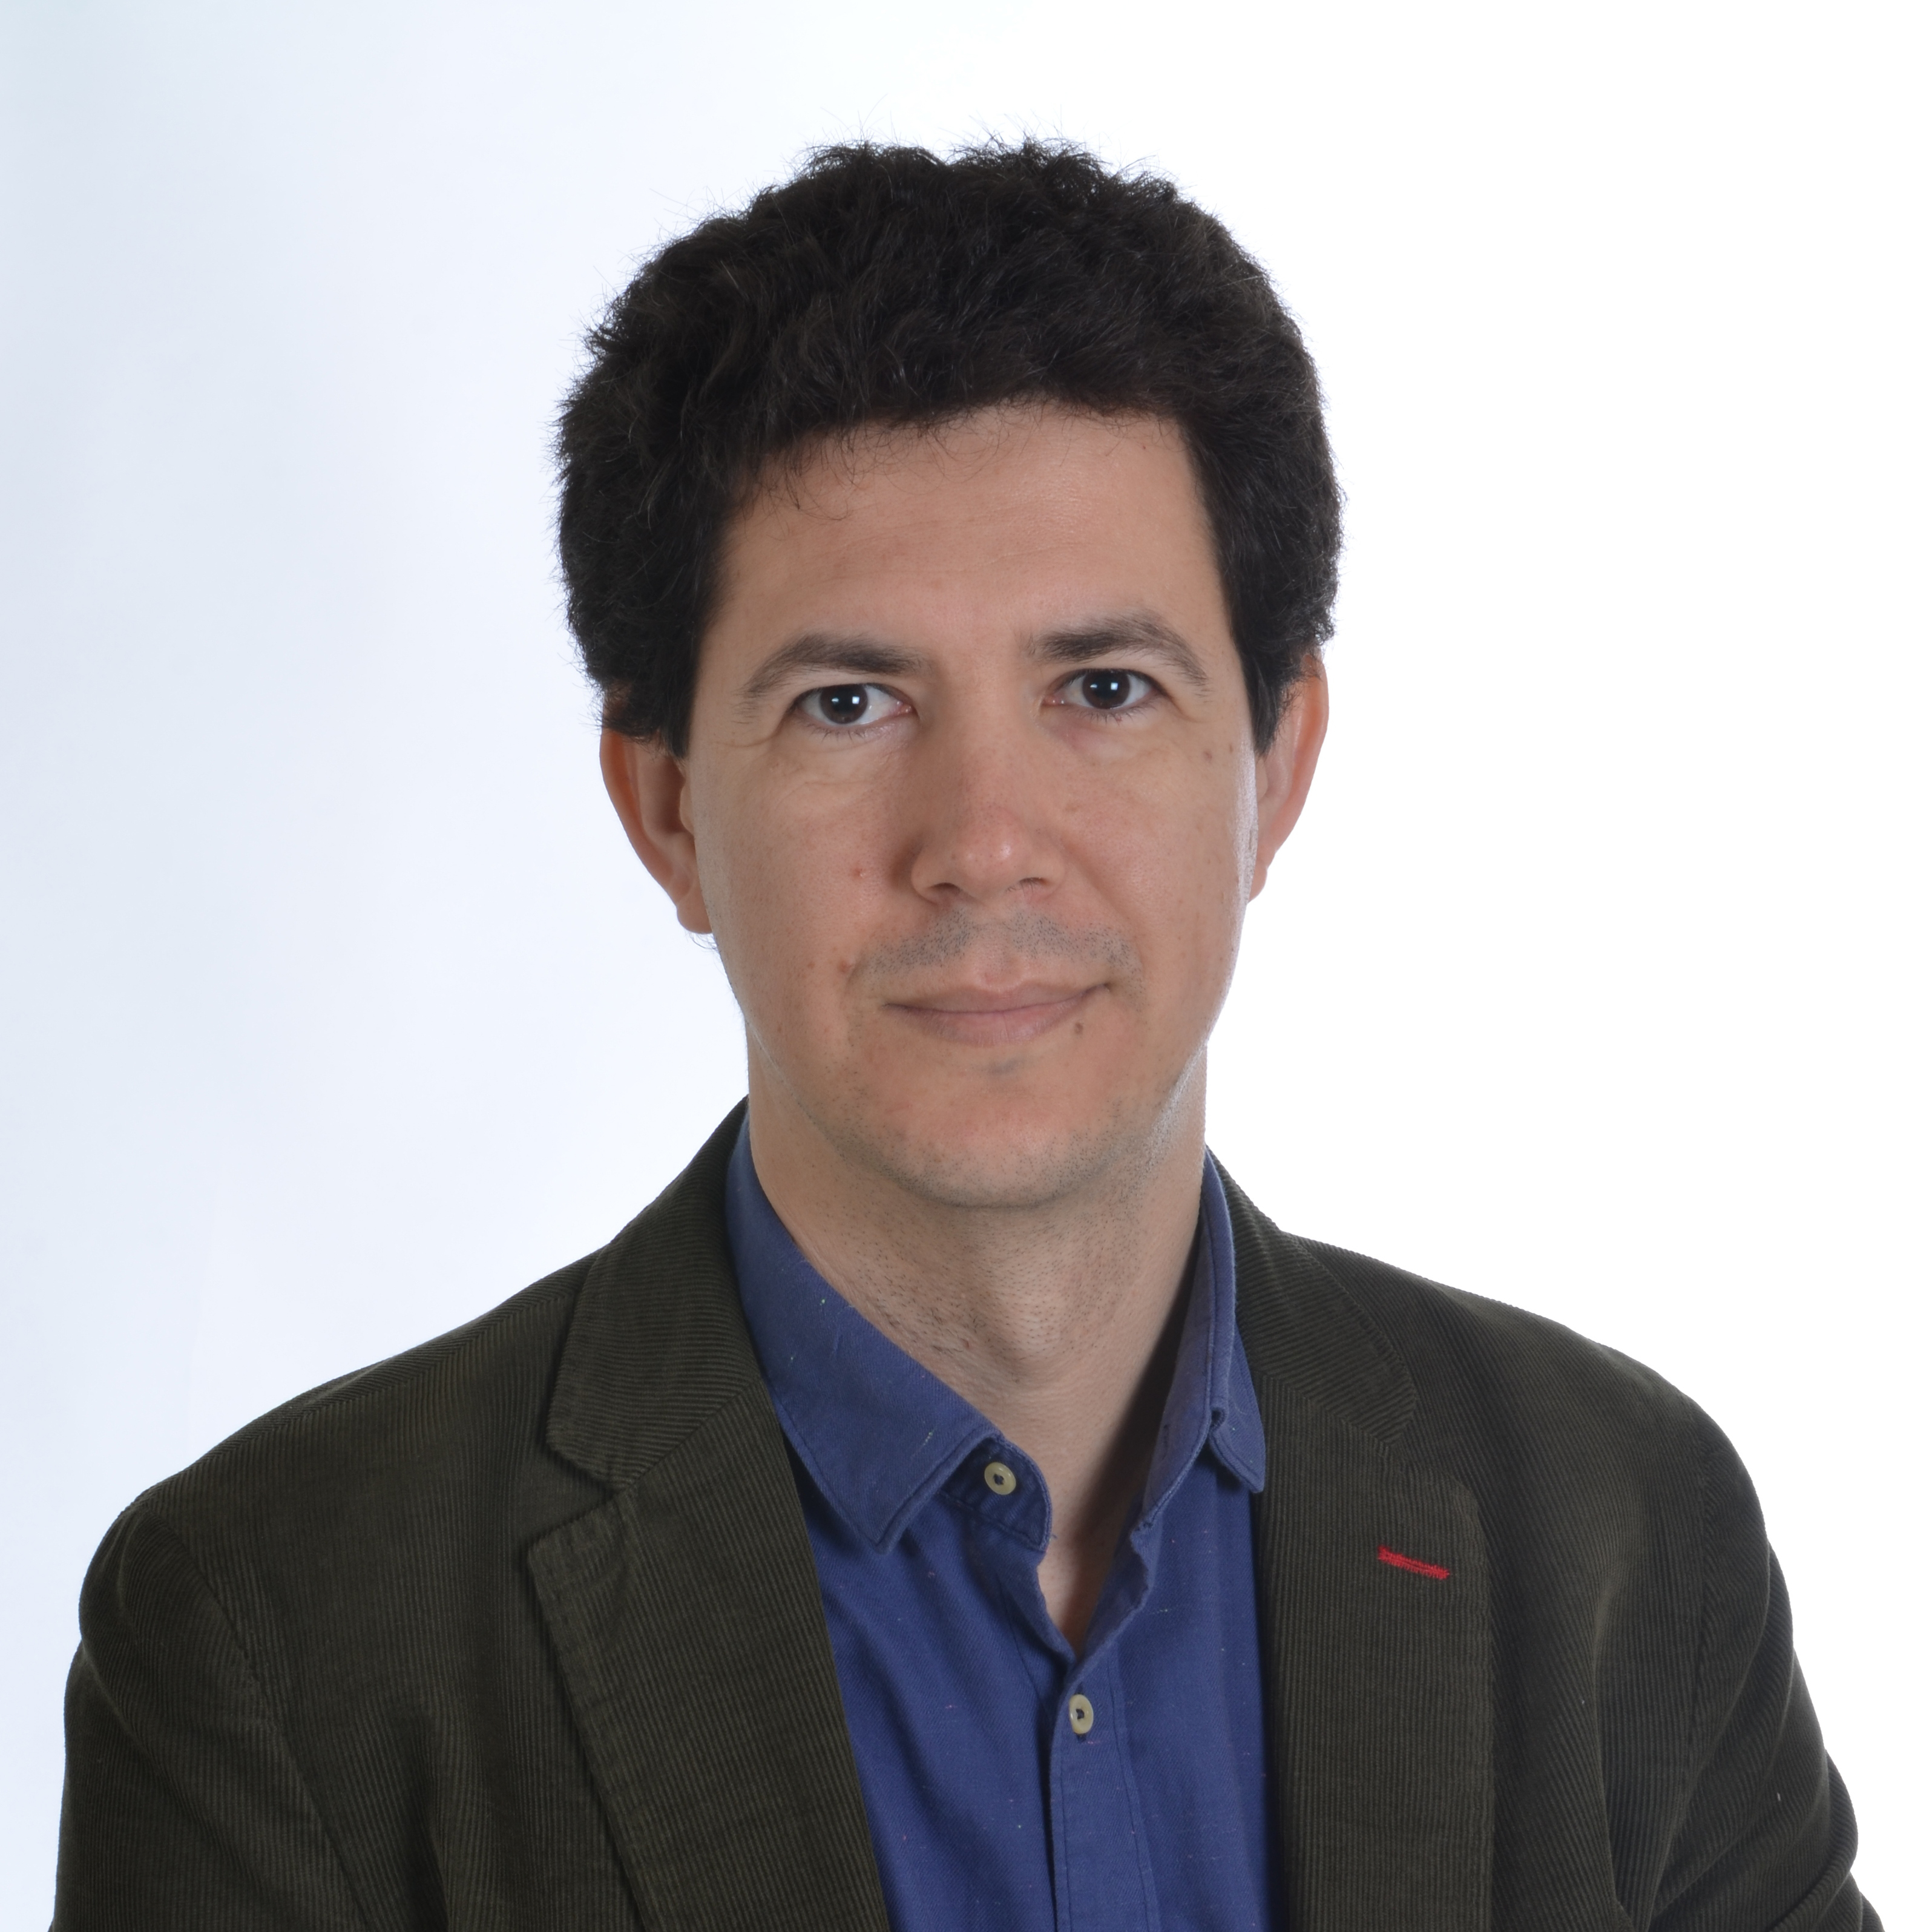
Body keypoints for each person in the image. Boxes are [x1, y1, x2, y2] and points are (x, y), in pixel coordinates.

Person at [53, 140, 1874, 1931]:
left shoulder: (1621, 1528)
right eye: (850, 703)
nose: (984, 844)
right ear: (667, 809)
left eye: (1105, 688)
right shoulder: (276, 1631)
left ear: (1277, 764)